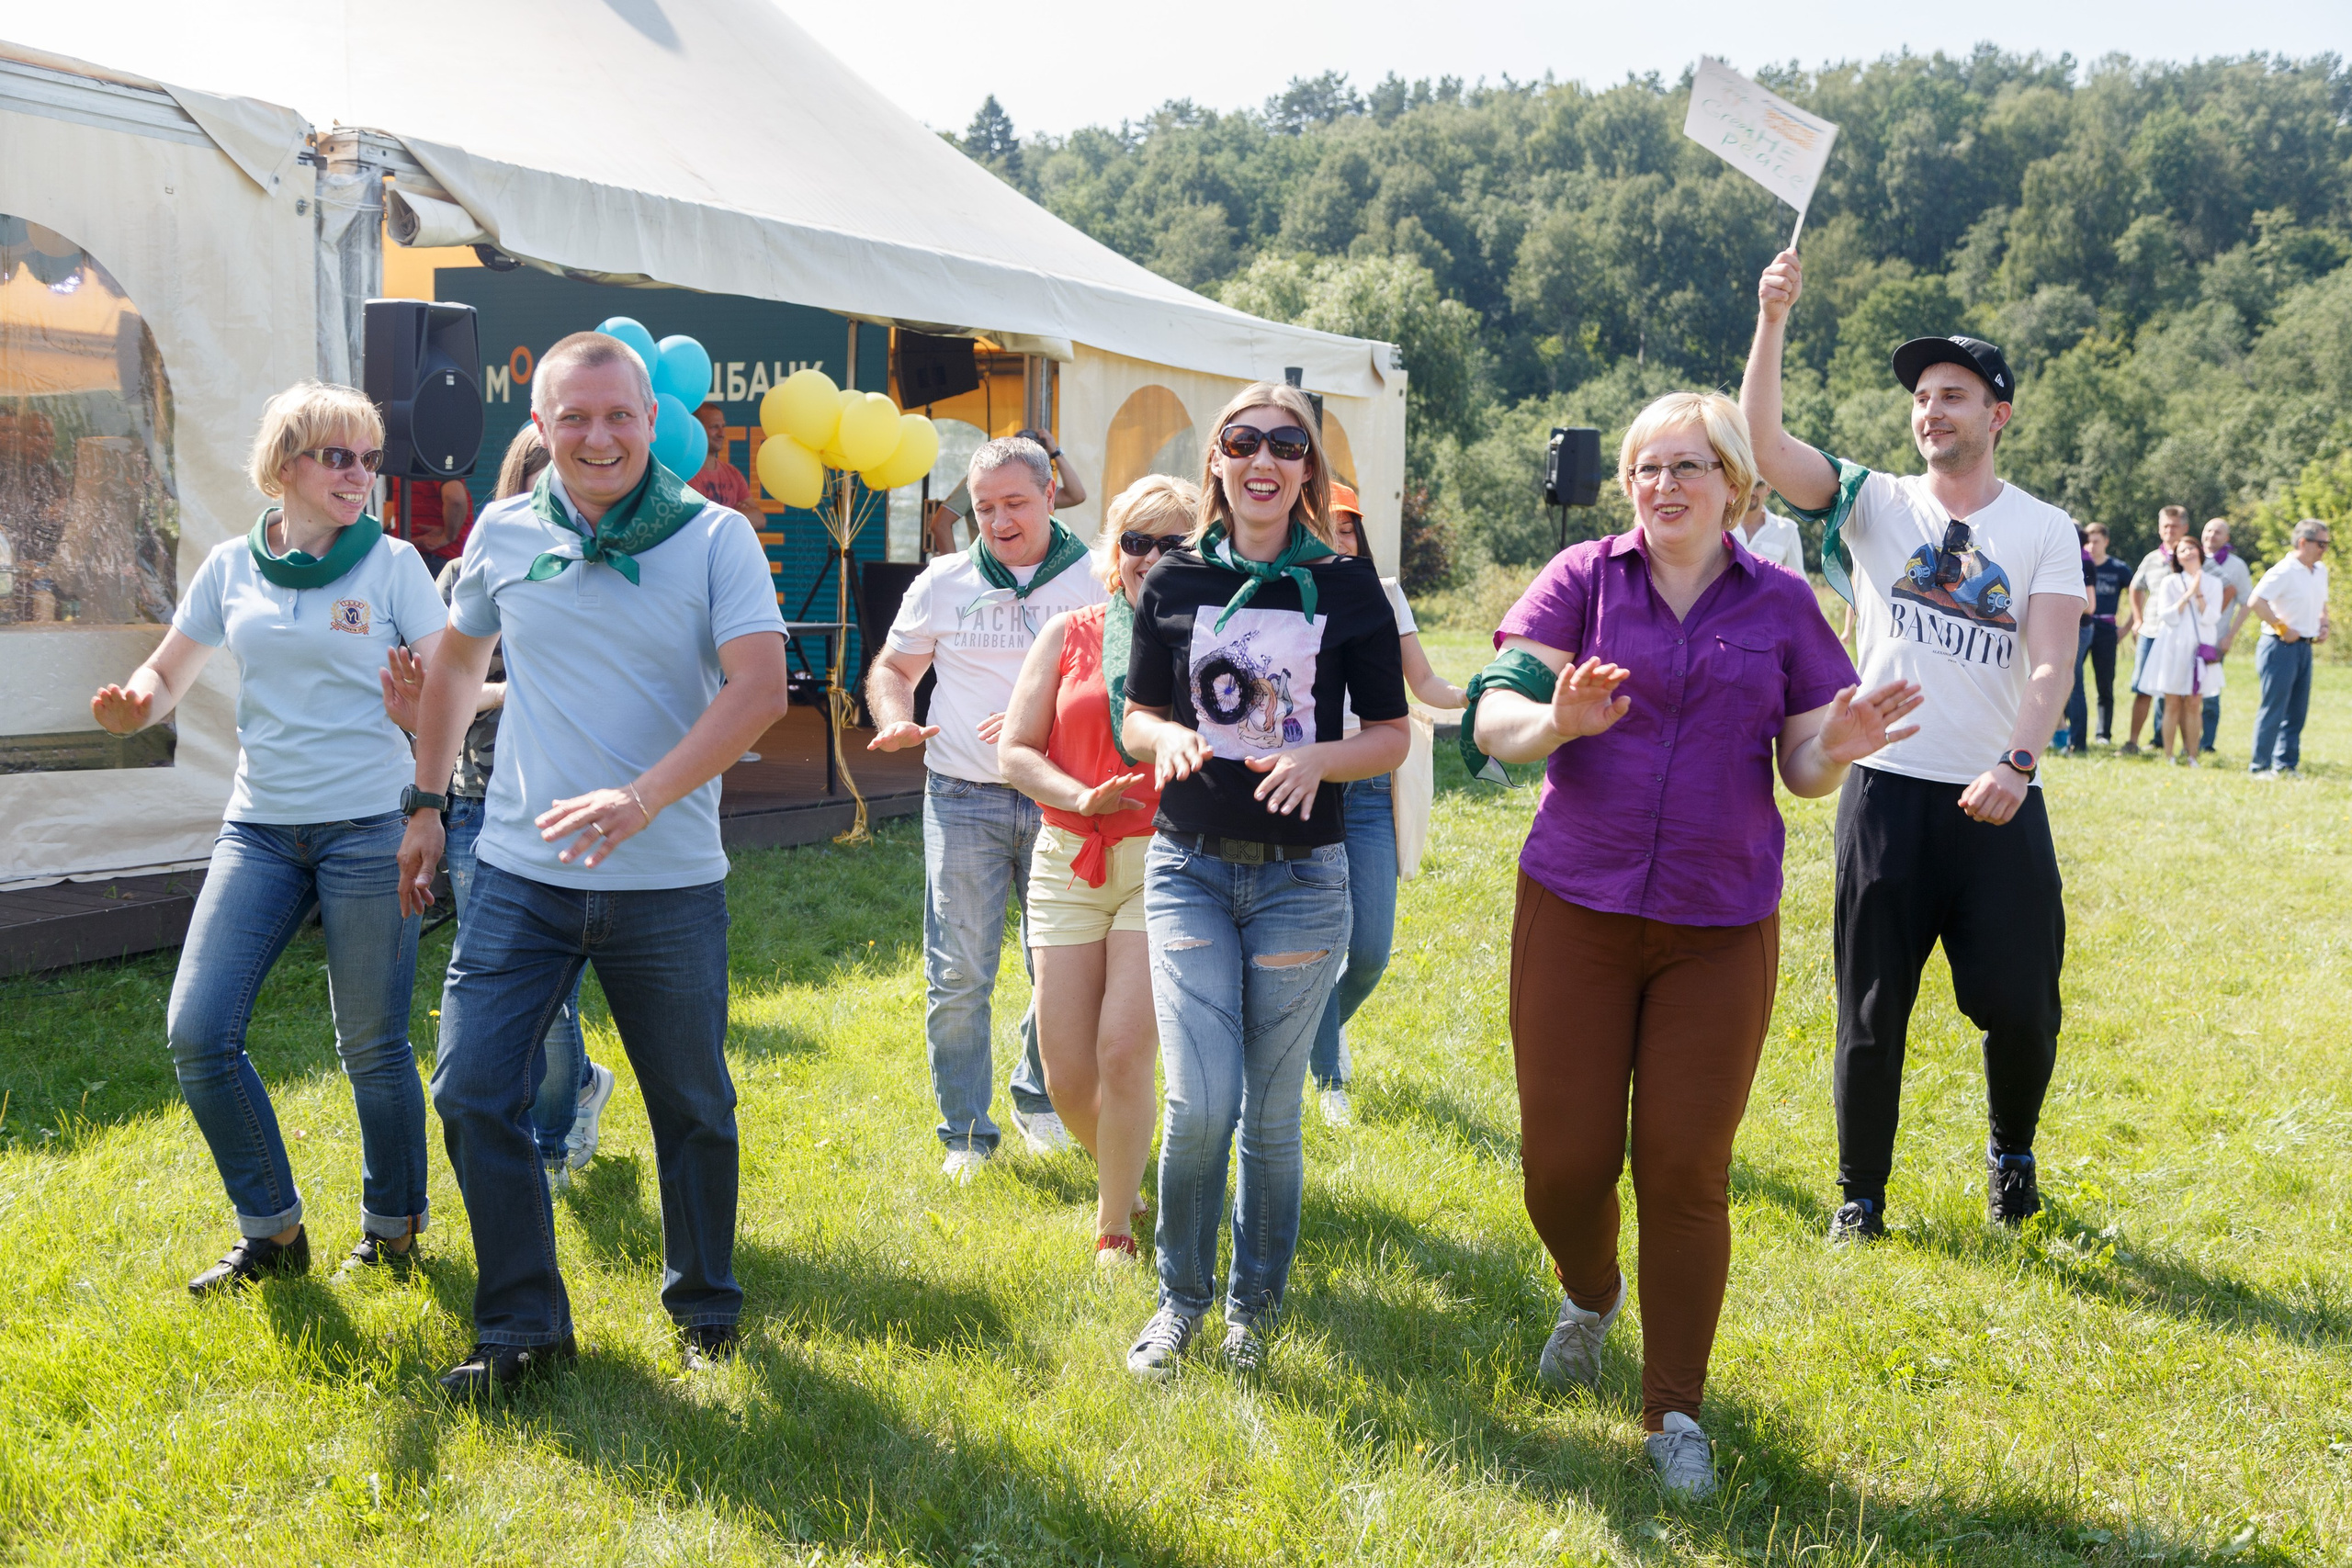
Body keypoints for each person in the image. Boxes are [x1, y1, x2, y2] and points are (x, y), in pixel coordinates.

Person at [1468, 391, 1915, 1498]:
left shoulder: (1780, 603)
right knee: (1561, 1165)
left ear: (1735, 488)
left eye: (1688, 467)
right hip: (1575, 904)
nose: (1662, 486)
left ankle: (1672, 1408)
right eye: (1645, 469)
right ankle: (1588, 1291)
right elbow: (1491, 719)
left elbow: (1802, 767)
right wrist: (1555, 723)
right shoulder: (1582, 579)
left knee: (1683, 1169)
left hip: (1718, 923)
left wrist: (1839, 748)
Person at [397, 332, 792, 1397]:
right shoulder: (503, 528)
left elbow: (761, 690)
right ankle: (524, 1325)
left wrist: (641, 797)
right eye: (573, 417)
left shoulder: (715, 539)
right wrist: (426, 804)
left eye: (618, 415)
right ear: (541, 427)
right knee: (475, 1092)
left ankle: (705, 1304)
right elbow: (455, 664)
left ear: (653, 422)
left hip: (664, 881)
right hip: (522, 879)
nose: (597, 436)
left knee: (693, 1106)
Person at [1742, 248, 2085, 1244]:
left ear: (1997, 416)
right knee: (1869, 1011)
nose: (1931, 412)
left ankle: (2011, 1155)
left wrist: (2016, 765)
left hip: (1996, 799)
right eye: (1922, 398)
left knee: (2021, 1004)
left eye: (1954, 396)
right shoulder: (1874, 502)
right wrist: (1773, 320)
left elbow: (2051, 662)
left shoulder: (2042, 529)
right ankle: (1861, 1196)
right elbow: (1763, 448)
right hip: (1884, 793)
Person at [88, 382, 443, 1292]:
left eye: (369, 458)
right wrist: (136, 703)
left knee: (371, 1045)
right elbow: (167, 673)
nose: (360, 474)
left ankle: (395, 1227)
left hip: (369, 825)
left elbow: (449, 690)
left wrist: (420, 764)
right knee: (199, 1033)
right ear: (285, 464)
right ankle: (273, 1234)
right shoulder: (230, 566)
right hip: (259, 829)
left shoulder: (393, 565)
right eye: (338, 456)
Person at [1117, 382, 1409, 1380]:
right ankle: (1179, 1301)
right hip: (1188, 869)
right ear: (1216, 461)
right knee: (1201, 1103)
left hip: (1301, 882)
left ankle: (1254, 1309)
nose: (1262, 459)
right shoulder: (1172, 580)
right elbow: (1136, 714)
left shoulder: (1346, 586)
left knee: (1272, 1117)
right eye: (1243, 441)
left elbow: (1395, 735)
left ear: (1306, 472)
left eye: (1286, 446)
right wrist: (1160, 740)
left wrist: (1322, 761)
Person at [382, 423, 617, 1195]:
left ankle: (549, 1140)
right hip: (478, 799)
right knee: (495, 980)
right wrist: (422, 722)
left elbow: (557, 688)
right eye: (556, 473)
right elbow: (436, 692)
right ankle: (576, 1086)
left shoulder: (606, 573)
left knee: (549, 992)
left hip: (567, 804)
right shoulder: (465, 574)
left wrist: (474, 693)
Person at [867, 436, 1106, 1181]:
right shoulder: (944, 579)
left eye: (1014, 503)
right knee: (959, 973)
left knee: (1060, 971)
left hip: (1063, 799)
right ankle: (966, 1133)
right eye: (983, 507)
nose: (999, 521)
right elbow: (895, 667)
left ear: (1050, 495)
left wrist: (1048, 727)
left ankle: (1041, 1098)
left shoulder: (1099, 577)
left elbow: (1127, 683)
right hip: (962, 797)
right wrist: (893, 716)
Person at [996, 476, 1193, 1262]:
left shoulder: (1210, 637)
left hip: (1162, 854)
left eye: (1172, 542)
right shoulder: (1069, 632)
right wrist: (1081, 792)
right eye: (1137, 541)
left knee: (1122, 1050)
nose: (1151, 557)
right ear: (1115, 550)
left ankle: (1115, 1228)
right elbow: (1014, 749)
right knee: (1065, 1070)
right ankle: (1128, 1170)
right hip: (1066, 854)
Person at [1308, 481, 1464, 1125]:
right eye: (1327, 527)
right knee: (1313, 944)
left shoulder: (1384, 589)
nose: (1340, 539)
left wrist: (1488, 693)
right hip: (1306, 783)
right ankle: (1327, 1076)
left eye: (1349, 528)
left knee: (1369, 950)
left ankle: (1317, 1031)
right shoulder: (1285, 588)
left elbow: (1422, 681)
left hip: (1371, 785)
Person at [2247, 518, 2333, 777]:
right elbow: (2256, 601)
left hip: (2304, 647)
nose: (2324, 549)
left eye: (2327, 544)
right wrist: (2281, 627)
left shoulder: (2320, 570)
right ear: (2303, 542)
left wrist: (2324, 624)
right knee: (2274, 707)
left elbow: (2322, 604)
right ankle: (2259, 766)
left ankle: (2285, 764)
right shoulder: (2284, 570)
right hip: (2279, 647)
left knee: (2297, 710)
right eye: (2321, 543)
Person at [2144, 535, 2226, 765]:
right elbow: (2167, 615)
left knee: (2193, 703)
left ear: (2199, 551)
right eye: (2182, 550)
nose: (2187, 552)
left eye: (2191, 548)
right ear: (2177, 557)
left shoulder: (2214, 583)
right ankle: (2169, 754)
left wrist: (2199, 593)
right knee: (2172, 702)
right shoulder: (2170, 582)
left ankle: (2192, 754)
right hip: (2174, 646)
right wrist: (2187, 596)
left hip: (2199, 649)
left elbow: (2211, 617)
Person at [2121, 506, 2190, 754]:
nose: (2169, 531)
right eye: (2165, 526)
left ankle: (2181, 746)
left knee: (2179, 691)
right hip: (2151, 630)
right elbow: (2135, 587)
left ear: (2185, 528)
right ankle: (2132, 742)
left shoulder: (2192, 557)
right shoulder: (2152, 558)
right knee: (2143, 687)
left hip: (2180, 634)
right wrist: (2137, 619)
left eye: (2174, 526)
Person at [2065, 524, 2133, 750]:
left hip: (2105, 629)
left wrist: (2128, 627)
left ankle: (2102, 733)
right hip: (2084, 626)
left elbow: (2138, 594)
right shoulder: (2082, 562)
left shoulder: (2118, 568)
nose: (2092, 545)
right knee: (2071, 680)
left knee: (2104, 683)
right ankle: (2066, 730)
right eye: (2089, 540)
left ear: (2106, 541)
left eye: (2097, 541)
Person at [2197, 517, 2255, 756]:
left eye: (2218, 532)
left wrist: (2230, 636)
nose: (2212, 535)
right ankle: (2161, 738)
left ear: (2227, 538)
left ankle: (2206, 743)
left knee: (2210, 694)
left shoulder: (2236, 566)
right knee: (2173, 689)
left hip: (2215, 638)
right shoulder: (2188, 557)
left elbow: (2247, 603)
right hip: (2186, 636)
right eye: (2208, 530)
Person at [691, 403, 752, 512]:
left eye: (723, 426)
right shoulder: (688, 474)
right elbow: (698, 521)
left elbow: (759, 518)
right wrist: (736, 512)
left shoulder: (732, 473)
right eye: (714, 427)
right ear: (698, 429)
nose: (722, 434)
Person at [1733, 492, 1807, 575]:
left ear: (1768, 488)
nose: (1752, 491)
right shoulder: (1722, 527)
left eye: (1758, 484)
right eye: (1748, 482)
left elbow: (1797, 580)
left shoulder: (1787, 530)